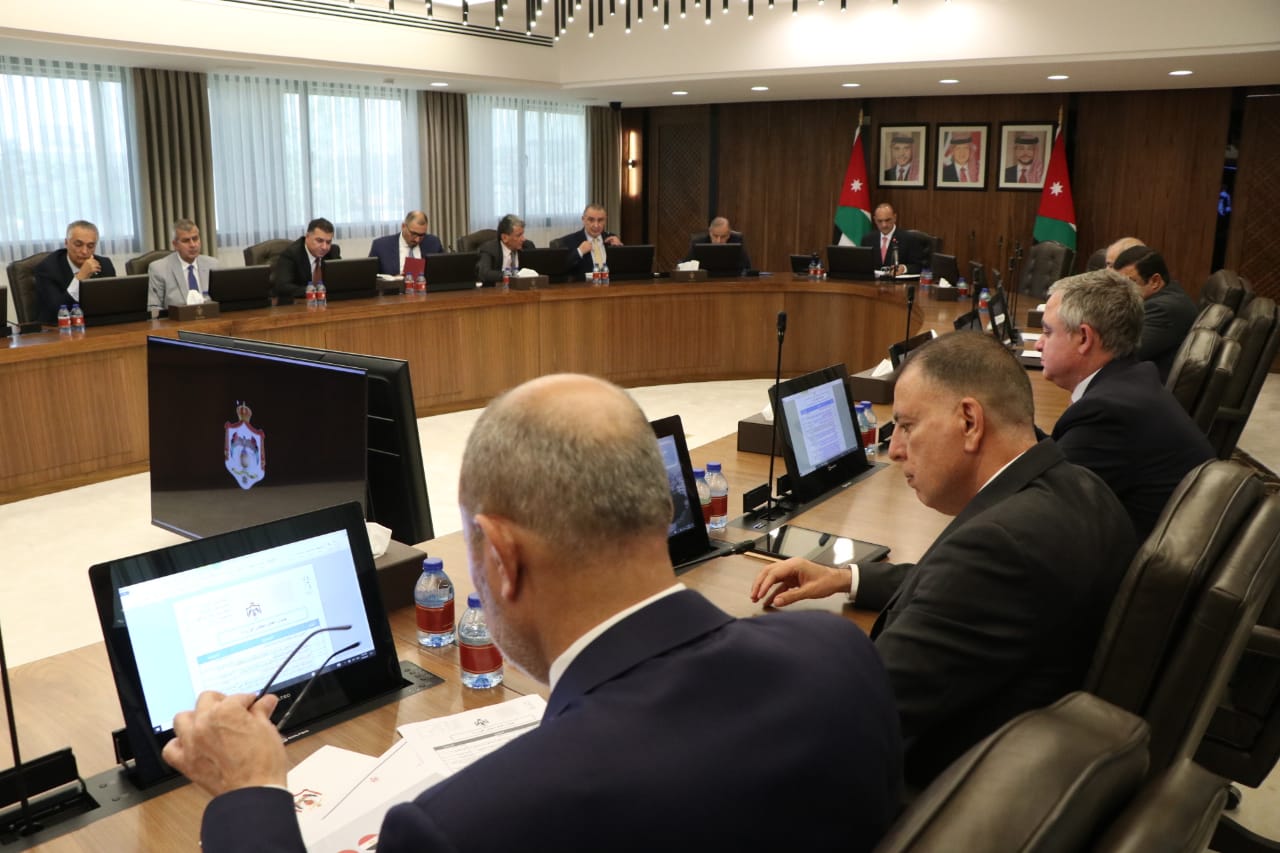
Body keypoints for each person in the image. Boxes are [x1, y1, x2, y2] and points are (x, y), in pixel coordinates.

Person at [163, 373, 904, 853]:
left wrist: (250, 793)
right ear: (663, 506)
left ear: (499, 555)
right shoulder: (836, 654)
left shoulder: (465, 827)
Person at [750, 332, 1135, 786]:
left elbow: (861, 706)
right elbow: (959, 590)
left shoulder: (998, 548)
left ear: (970, 421)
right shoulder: (1080, 487)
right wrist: (846, 578)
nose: (896, 449)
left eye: (907, 426)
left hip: (940, 790)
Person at [1037, 270, 1214, 541]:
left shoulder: (1109, 413)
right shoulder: (1129, 382)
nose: (1039, 344)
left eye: (1047, 332)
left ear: (1084, 338)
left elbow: (1042, 507)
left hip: (1126, 560)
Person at [1112, 245, 1198, 381]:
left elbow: (1122, 354)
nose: (1119, 291)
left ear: (1155, 281)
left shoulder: (1162, 309)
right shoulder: (1169, 295)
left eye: (1129, 283)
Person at [34, 220, 117, 325]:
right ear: (66, 243)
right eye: (78, 244)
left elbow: (113, 305)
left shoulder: (104, 265)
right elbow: (56, 311)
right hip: (59, 329)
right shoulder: (47, 268)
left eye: (90, 246)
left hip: (96, 326)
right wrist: (80, 277)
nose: (84, 251)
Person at [147, 219, 221, 311]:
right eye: (186, 241)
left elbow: (222, 300)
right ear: (175, 244)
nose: (193, 245)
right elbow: (153, 307)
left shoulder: (213, 265)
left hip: (210, 317)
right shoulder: (159, 269)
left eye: (195, 239)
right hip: (175, 319)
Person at [272, 218, 342, 304]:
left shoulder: (333, 251)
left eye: (328, 242)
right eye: (319, 241)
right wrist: (314, 291)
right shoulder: (291, 254)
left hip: (327, 305)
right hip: (297, 306)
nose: (324, 247)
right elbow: (283, 287)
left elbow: (341, 281)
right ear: (307, 237)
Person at [859, 203, 927, 275]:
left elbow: (919, 266)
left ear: (895, 218)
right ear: (875, 220)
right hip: (872, 281)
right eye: (880, 221)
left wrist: (904, 268)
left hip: (897, 281)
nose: (884, 225)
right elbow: (862, 265)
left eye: (887, 220)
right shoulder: (867, 239)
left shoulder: (909, 239)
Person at [557, 203, 623, 277]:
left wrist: (619, 249)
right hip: (584, 284)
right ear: (583, 219)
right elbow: (560, 268)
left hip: (610, 283)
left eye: (600, 220)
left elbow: (623, 269)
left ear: (605, 220)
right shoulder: (569, 241)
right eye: (591, 220)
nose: (596, 225)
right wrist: (579, 251)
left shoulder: (612, 239)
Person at [369, 210, 443, 276]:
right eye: (413, 234)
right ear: (403, 226)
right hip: (395, 287)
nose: (417, 240)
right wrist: (395, 280)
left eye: (421, 235)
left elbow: (442, 271)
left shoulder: (433, 243)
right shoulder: (381, 246)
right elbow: (370, 278)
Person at [476, 214, 536, 285]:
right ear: (504, 238)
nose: (523, 239)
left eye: (522, 234)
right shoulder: (489, 249)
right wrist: (512, 275)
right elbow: (484, 274)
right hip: (496, 289)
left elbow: (535, 271)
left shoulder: (527, 246)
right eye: (518, 235)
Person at [681, 216, 752, 270]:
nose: (719, 241)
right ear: (710, 232)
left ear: (729, 234)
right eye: (715, 236)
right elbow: (685, 267)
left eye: (723, 236)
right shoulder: (698, 242)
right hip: (705, 280)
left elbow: (746, 267)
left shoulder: (737, 240)